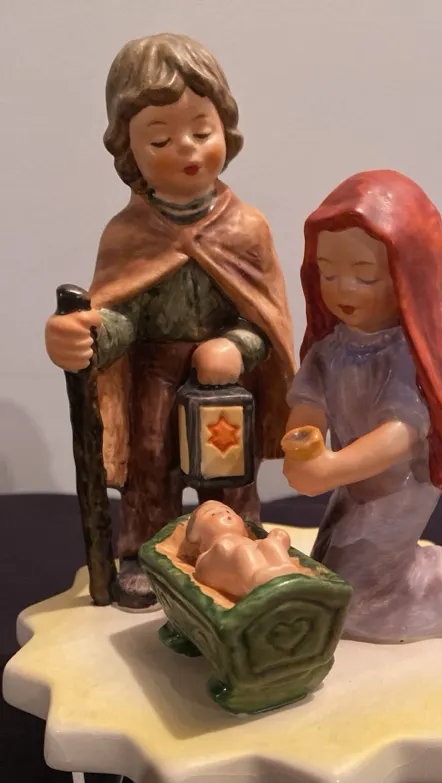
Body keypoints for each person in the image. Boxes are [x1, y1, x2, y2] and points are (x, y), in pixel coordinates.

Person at [44, 34, 294, 609]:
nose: (185, 148)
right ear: (128, 149)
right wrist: (86, 336)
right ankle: (146, 551)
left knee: (227, 467)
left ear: (225, 130)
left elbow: (266, 320)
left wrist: (237, 345)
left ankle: (236, 548)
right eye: (160, 139)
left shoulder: (247, 228)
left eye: (201, 131)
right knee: (152, 460)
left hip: (224, 380)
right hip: (154, 374)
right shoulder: (128, 234)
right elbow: (122, 314)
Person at [282, 170, 442, 643]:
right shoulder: (328, 350)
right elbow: (308, 405)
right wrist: (301, 449)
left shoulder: (403, 355)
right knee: (325, 575)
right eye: (328, 273)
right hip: (353, 484)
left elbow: (400, 432)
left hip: (400, 487)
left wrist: (331, 468)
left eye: (364, 275)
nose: (343, 289)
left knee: (353, 609)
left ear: (407, 277)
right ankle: (411, 570)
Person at [179, 501, 300, 599]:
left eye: (228, 511)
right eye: (213, 514)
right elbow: (207, 566)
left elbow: (261, 548)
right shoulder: (209, 554)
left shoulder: (251, 543)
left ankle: (287, 569)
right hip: (228, 572)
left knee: (269, 543)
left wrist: (277, 540)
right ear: (197, 536)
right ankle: (256, 580)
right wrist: (219, 552)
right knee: (244, 550)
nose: (226, 514)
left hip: (253, 564)